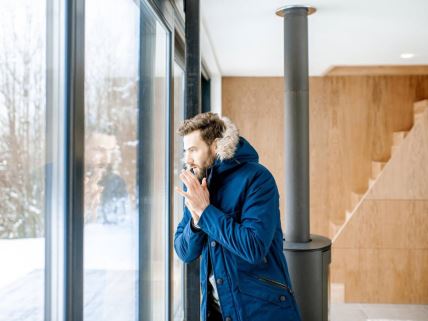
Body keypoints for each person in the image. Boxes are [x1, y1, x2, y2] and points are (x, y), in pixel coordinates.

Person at [174, 112, 302, 321]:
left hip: (261, 310)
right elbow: (184, 251)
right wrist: (196, 223)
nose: (187, 159)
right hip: (216, 311)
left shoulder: (258, 178)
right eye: (185, 151)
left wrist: (206, 212)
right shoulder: (199, 185)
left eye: (193, 150)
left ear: (215, 146)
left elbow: (253, 247)